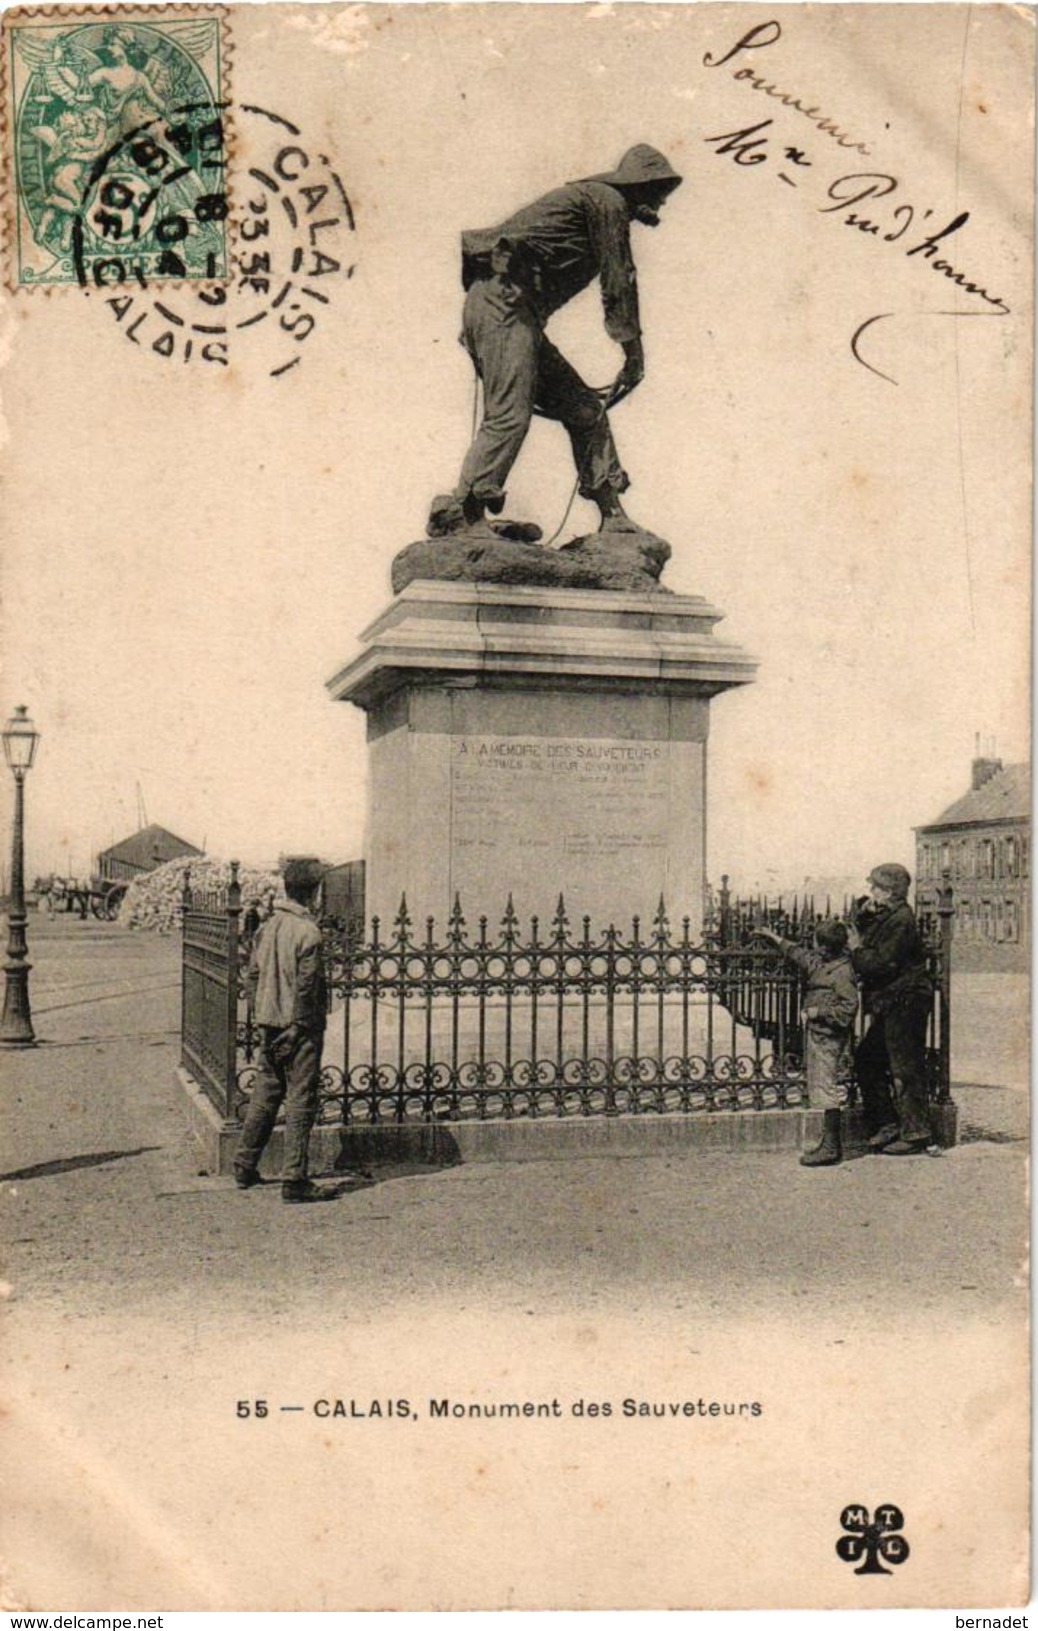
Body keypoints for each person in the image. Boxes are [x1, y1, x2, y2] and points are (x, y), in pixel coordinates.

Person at [428, 144, 683, 540]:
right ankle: (464, 513)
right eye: (659, 191)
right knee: (510, 414)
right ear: (641, 185)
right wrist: (633, 354)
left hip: (515, 313)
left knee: (585, 410)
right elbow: (619, 279)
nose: (661, 203)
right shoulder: (608, 200)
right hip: (503, 306)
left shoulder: (601, 201)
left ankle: (613, 516)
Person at [234, 858, 330, 1203]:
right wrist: (299, 1026)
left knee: (265, 1094)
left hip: (269, 1023)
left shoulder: (269, 926)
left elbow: (253, 975)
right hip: (298, 1028)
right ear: (313, 893)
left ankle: (244, 1165)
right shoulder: (309, 932)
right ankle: (295, 1180)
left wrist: (261, 1017)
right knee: (301, 1100)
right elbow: (307, 987)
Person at [755, 920, 859, 1167]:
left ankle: (832, 1147)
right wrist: (774, 937)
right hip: (818, 1034)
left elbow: (848, 1009)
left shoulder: (843, 972)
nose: (811, 945)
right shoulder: (825, 963)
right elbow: (799, 954)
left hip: (829, 1037)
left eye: (816, 941)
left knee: (826, 1088)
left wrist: (816, 1012)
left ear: (824, 947)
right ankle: (828, 1143)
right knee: (821, 1087)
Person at [847, 863, 934, 1156]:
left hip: (906, 1001)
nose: (870, 892)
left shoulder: (901, 920)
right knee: (868, 1060)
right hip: (892, 1001)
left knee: (904, 1067)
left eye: (875, 887)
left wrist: (856, 949)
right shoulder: (886, 915)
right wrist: (864, 914)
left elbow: (882, 964)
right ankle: (887, 1123)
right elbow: (861, 928)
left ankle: (915, 1133)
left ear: (890, 891)